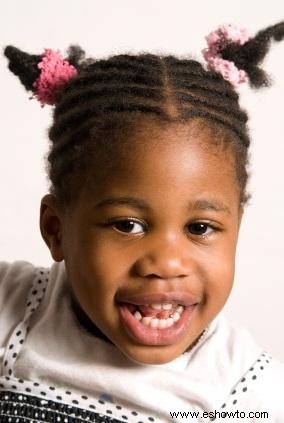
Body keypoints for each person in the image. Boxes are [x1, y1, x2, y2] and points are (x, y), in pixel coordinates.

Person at [1, 21, 284, 423]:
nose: (167, 263)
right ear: (56, 229)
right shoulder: (13, 312)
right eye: (127, 225)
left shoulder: (249, 395)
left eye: (199, 228)